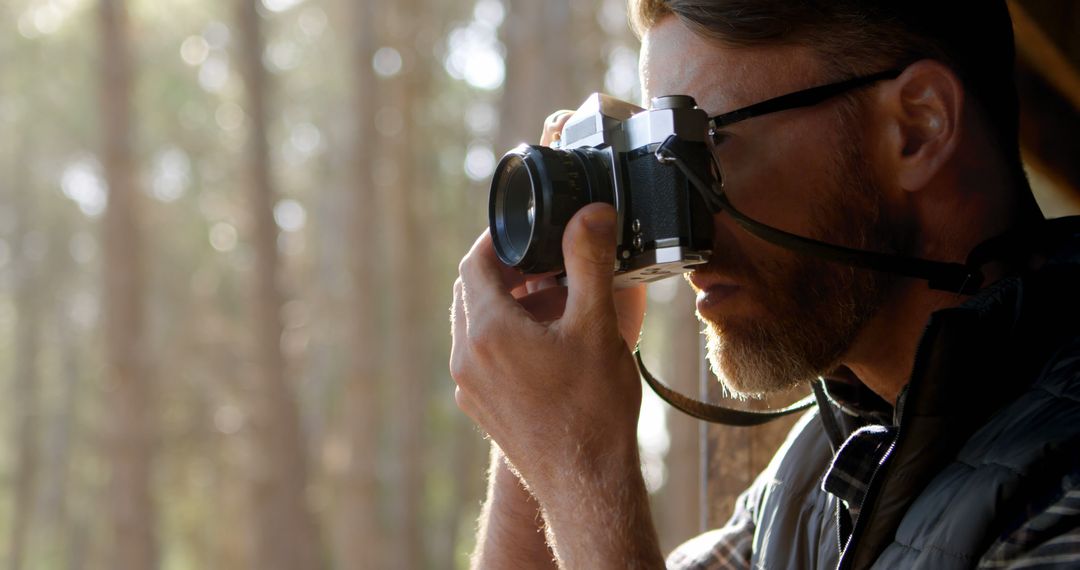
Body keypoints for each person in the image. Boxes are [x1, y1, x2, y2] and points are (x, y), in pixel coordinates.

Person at [449, 1, 1080, 568]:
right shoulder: (816, 476)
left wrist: (580, 465)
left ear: (917, 127)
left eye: (701, 147)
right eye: (653, 162)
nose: (687, 235)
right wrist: (539, 422)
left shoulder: (1059, 495)